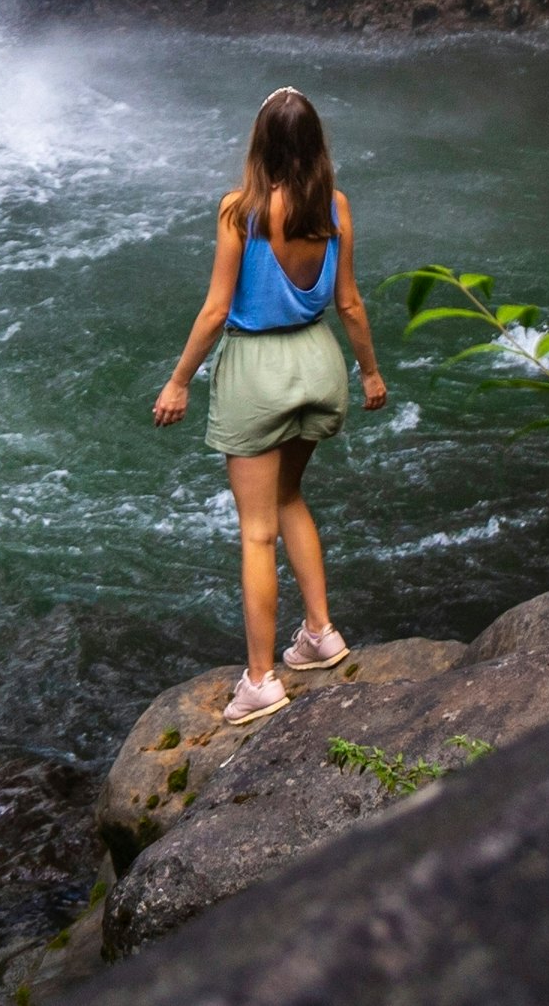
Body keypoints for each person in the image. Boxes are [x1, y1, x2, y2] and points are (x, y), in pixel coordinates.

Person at [151, 85, 388, 725]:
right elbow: (349, 303)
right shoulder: (334, 207)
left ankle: (260, 680)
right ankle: (320, 634)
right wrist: (369, 372)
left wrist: (178, 381)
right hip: (318, 365)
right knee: (289, 499)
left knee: (257, 531)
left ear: (261, 144)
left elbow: (216, 310)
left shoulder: (242, 212)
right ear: (315, 146)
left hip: (257, 373)